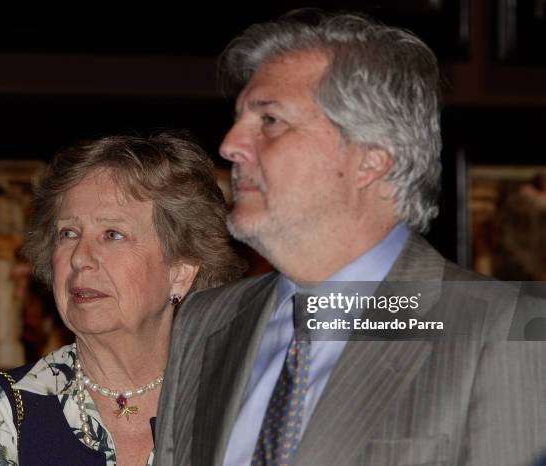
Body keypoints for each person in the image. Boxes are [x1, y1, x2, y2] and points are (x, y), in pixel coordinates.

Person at [154, 10, 546, 466]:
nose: (229, 144)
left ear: (370, 160)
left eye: (270, 121)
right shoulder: (205, 322)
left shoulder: (506, 333)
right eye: (240, 118)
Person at [0, 132, 245, 466]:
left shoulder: (238, 400)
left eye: (112, 234)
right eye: (68, 234)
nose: (79, 258)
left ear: (181, 271)